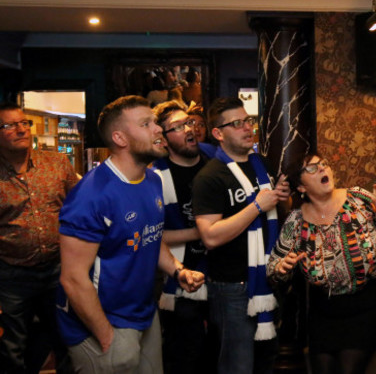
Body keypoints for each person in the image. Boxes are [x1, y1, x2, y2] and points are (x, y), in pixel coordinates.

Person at [56, 95, 205, 374]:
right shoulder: (91, 196)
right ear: (120, 138)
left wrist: (177, 270)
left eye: (155, 122)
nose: (158, 129)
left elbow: (150, 236)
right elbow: (73, 279)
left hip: (143, 314)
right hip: (104, 323)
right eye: (146, 124)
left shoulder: (151, 179)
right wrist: (106, 336)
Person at [267, 153, 376, 374]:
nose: (323, 169)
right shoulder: (296, 222)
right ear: (301, 187)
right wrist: (282, 267)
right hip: (325, 311)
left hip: (370, 302)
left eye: (324, 164)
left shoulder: (358, 198)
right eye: (312, 169)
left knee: (348, 369)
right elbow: (273, 270)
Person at [193, 97, 291, 374]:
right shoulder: (210, 177)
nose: (247, 128)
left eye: (248, 121)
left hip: (269, 278)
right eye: (236, 124)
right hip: (232, 287)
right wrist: (257, 205)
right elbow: (209, 236)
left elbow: (276, 212)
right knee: (238, 365)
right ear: (218, 134)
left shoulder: (261, 164)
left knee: (266, 360)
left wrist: (280, 198)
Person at [0, 102, 77, 374]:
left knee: (66, 338)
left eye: (24, 123)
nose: (21, 129)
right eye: (10, 125)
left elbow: (79, 206)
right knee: (12, 347)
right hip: (11, 274)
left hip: (58, 269)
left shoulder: (56, 163)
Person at [152, 100, 216, 374]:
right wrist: (206, 230)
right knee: (185, 354)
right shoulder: (154, 176)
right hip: (179, 278)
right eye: (176, 127)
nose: (188, 129)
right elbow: (154, 235)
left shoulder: (216, 164)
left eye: (189, 122)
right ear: (164, 139)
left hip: (221, 274)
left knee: (218, 353)